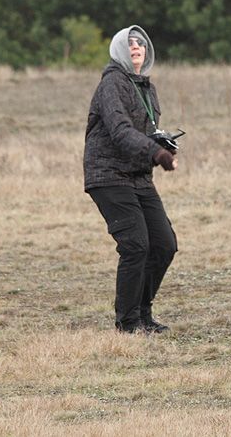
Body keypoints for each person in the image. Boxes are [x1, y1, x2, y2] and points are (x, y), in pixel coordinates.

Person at [84, 25, 178, 333]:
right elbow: (121, 131)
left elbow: (144, 133)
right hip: (108, 175)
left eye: (140, 43)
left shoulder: (146, 87)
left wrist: (161, 144)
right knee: (136, 245)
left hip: (138, 176)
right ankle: (127, 325)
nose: (136, 46)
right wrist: (157, 154)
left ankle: (143, 314)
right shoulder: (112, 84)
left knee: (164, 245)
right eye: (130, 43)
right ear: (119, 50)